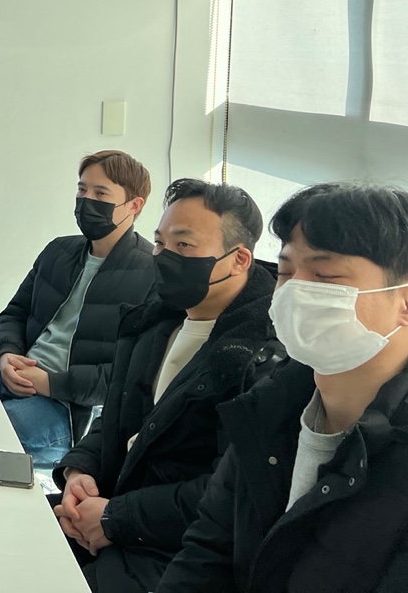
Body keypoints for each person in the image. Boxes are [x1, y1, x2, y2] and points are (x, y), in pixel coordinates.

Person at [158, 183, 408, 593]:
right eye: (287, 272)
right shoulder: (268, 407)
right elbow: (206, 553)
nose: (293, 291)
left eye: (324, 276)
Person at [52, 178, 285, 593]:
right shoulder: (154, 320)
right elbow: (117, 415)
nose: (163, 256)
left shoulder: (261, 356)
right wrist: (79, 471)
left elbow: (227, 489)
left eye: (184, 245)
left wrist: (115, 518)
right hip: (109, 511)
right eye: (160, 243)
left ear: (238, 259)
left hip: (176, 550)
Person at [0, 150, 157, 469]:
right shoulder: (58, 251)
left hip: (67, 409)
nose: (86, 200)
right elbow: (14, 314)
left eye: (100, 193)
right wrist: (6, 355)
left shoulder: (152, 273)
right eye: (82, 189)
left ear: (134, 205)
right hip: (10, 375)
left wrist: (49, 383)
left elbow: (130, 375)